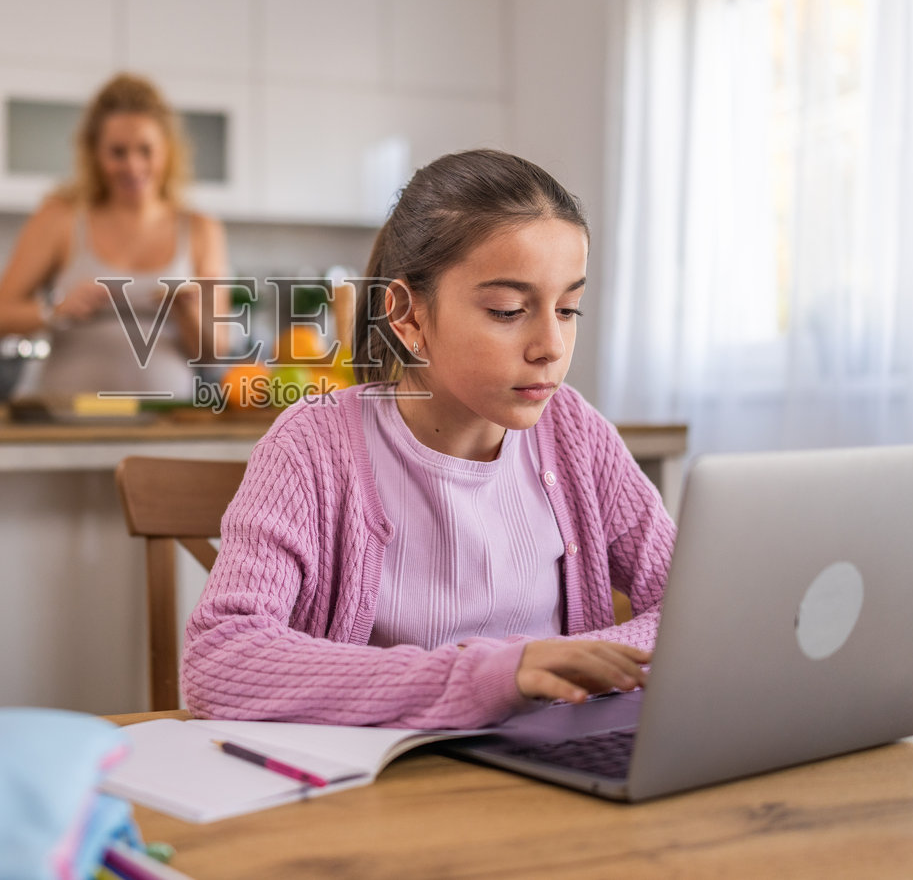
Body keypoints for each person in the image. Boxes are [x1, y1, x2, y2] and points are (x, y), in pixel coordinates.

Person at [182, 150, 675, 728]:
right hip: (382, 792)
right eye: (508, 310)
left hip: (554, 778)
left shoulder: (576, 435)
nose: (551, 346)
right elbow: (220, 659)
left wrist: (599, 663)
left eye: (568, 310)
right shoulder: (313, 447)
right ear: (408, 317)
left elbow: (691, 605)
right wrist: (489, 676)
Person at [0, 74, 229, 399]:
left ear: (167, 150)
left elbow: (216, 352)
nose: (133, 165)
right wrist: (55, 309)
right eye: (117, 152)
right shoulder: (60, 220)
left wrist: (187, 312)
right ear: (94, 153)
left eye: (146, 150)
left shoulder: (201, 230)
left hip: (168, 427)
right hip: (68, 427)